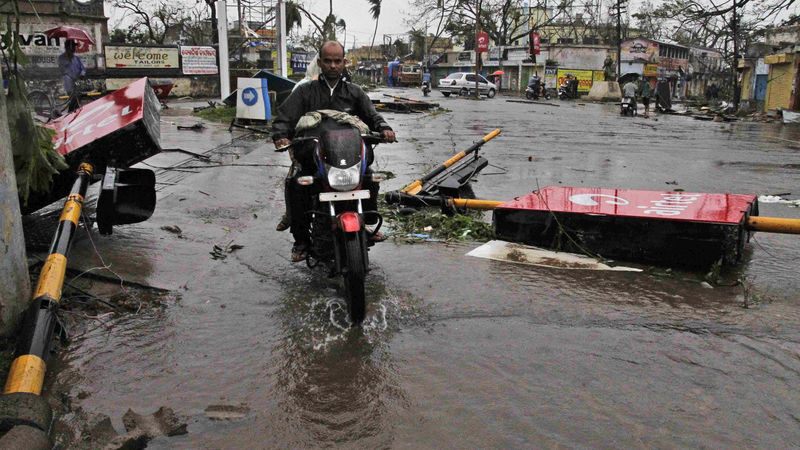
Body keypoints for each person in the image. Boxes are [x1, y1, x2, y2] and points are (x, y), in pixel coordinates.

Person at [272, 41, 396, 262]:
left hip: (349, 158)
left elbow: (373, 116)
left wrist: (384, 128)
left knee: (370, 177)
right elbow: (285, 118)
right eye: (327, 61)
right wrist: (281, 135)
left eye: (337, 61)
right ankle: (301, 240)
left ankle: (365, 223)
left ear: (344, 62)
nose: (332, 65)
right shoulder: (304, 92)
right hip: (313, 158)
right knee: (295, 184)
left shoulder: (354, 92)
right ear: (320, 63)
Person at [58, 39, 86, 112]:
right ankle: (70, 112)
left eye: (74, 48)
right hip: (68, 81)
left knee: (78, 98)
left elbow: (82, 69)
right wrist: (68, 61)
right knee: (73, 97)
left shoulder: (76, 59)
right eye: (71, 48)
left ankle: (72, 112)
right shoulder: (62, 58)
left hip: (76, 81)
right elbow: (62, 70)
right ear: (67, 48)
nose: (73, 50)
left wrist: (82, 74)